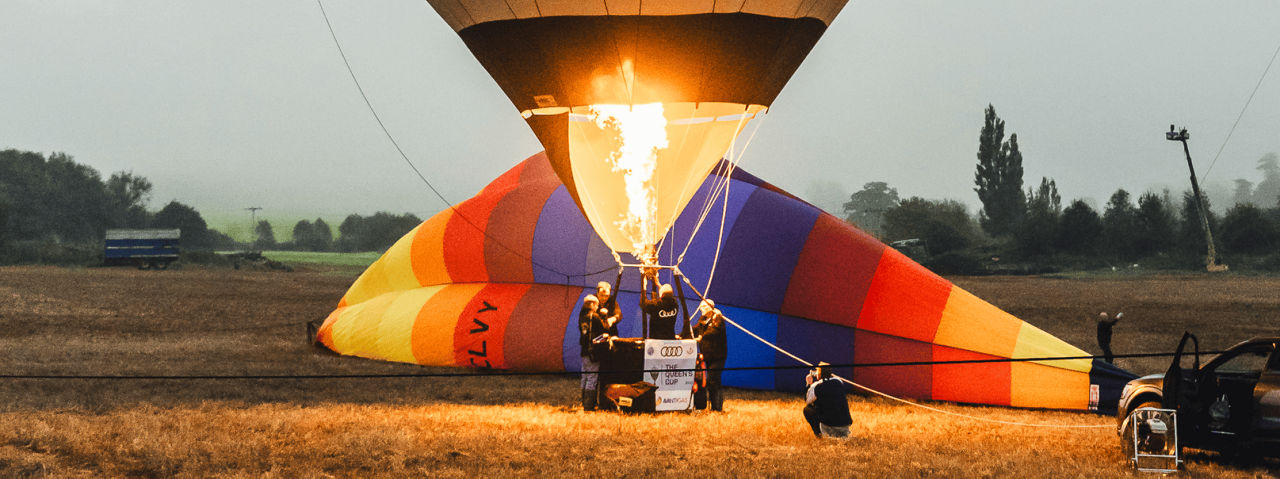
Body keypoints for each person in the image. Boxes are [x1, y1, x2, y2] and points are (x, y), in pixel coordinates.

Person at [578, 294, 613, 411]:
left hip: (583, 352)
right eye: (597, 305)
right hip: (593, 353)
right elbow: (605, 331)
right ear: (592, 304)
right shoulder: (595, 317)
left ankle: (583, 402)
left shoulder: (582, 317)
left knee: (585, 377)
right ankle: (589, 406)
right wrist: (604, 315)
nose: (597, 307)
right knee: (592, 379)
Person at [693, 301, 728, 411]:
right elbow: (695, 329)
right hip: (708, 355)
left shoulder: (717, 318)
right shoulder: (703, 319)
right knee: (711, 382)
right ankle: (713, 407)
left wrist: (701, 337)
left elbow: (714, 332)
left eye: (704, 306)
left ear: (710, 307)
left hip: (717, 356)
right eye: (701, 306)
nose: (701, 308)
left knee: (713, 381)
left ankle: (717, 408)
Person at [803, 362, 852, 438]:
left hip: (829, 424)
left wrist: (809, 384)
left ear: (819, 374)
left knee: (807, 410)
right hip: (845, 423)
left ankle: (819, 435)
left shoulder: (816, 387)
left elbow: (807, 400)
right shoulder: (839, 381)